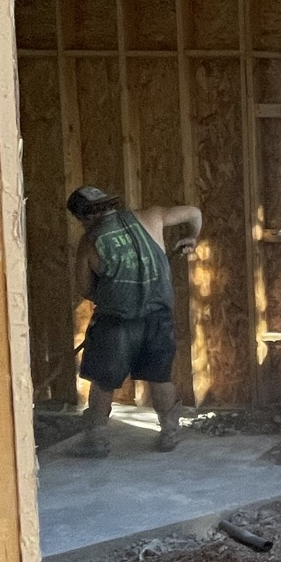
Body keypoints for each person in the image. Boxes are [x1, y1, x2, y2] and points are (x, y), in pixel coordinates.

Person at [67, 187, 202, 455]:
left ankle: (97, 438)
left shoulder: (90, 241)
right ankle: (170, 432)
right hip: (158, 317)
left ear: (84, 216)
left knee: (104, 380)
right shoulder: (151, 216)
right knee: (159, 376)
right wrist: (193, 237)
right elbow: (194, 213)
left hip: (115, 322)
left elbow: (85, 288)